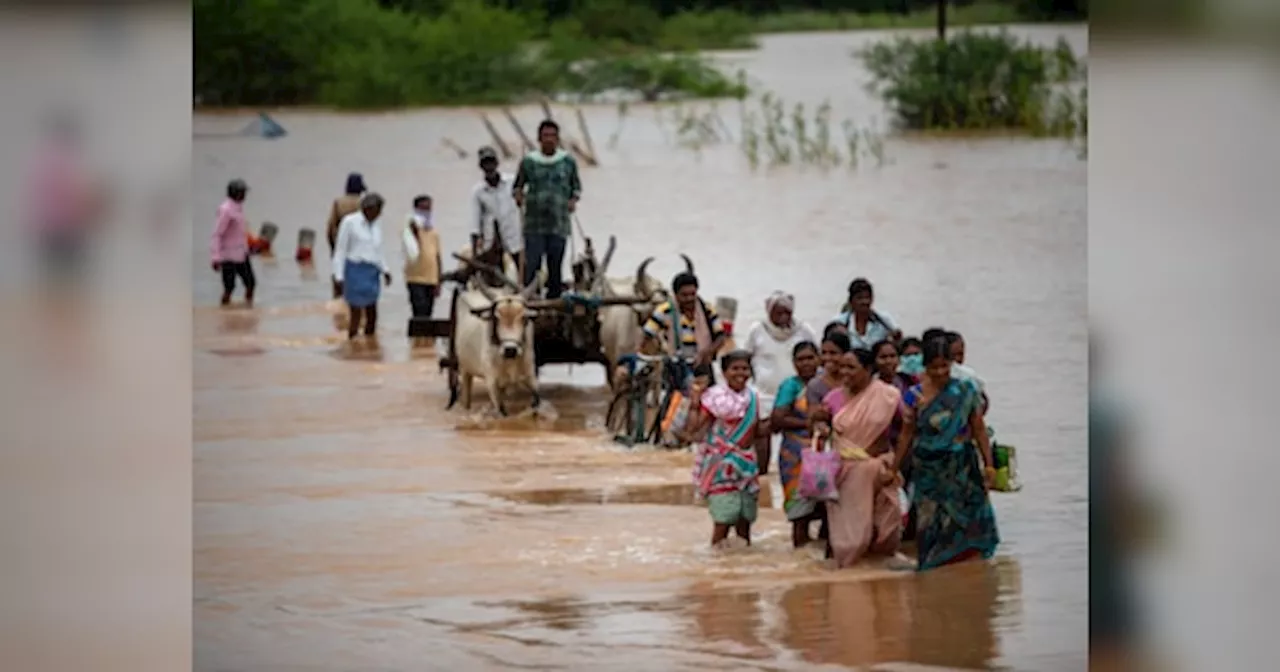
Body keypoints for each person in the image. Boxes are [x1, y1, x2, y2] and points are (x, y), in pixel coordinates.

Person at [892, 337, 1000, 570]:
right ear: (925, 366)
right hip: (929, 469)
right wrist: (895, 468)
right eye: (934, 367)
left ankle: (970, 567)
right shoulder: (914, 396)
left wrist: (989, 465)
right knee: (931, 522)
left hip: (962, 466)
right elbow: (906, 435)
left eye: (945, 366)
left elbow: (979, 428)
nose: (940, 372)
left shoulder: (966, 389)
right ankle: (934, 566)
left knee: (969, 518)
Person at [814, 348, 912, 570]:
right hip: (846, 472)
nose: (844, 372)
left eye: (851, 367)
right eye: (843, 367)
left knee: (887, 524)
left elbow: (906, 429)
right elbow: (820, 425)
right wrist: (818, 423)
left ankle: (878, 577)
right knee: (852, 535)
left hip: (881, 468)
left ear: (868, 370)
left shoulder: (888, 396)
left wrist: (895, 468)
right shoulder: (834, 398)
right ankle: (849, 578)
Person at [686, 350, 767, 548]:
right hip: (721, 468)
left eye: (745, 368)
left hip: (746, 467)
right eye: (735, 369)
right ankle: (717, 566)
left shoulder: (754, 398)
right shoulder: (714, 398)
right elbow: (694, 429)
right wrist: (695, 403)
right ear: (723, 372)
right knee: (723, 521)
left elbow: (759, 432)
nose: (740, 373)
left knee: (745, 521)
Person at [513, 120, 581, 298]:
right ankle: (531, 299)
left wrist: (573, 200)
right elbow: (517, 186)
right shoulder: (529, 161)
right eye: (545, 136)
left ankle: (554, 301)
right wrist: (518, 196)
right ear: (538, 139)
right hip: (534, 224)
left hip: (558, 223)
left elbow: (576, 187)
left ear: (558, 139)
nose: (549, 139)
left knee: (555, 265)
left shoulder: (567, 161)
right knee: (533, 265)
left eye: (552, 136)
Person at [770, 341, 825, 548]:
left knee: (827, 508)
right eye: (801, 360)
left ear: (818, 359)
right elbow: (777, 418)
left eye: (810, 358)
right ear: (793, 363)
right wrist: (810, 422)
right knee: (799, 512)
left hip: (822, 454)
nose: (806, 364)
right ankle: (801, 557)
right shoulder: (791, 386)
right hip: (795, 457)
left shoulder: (825, 383)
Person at [641, 272, 728, 389]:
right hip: (675, 366)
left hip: (702, 365)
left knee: (708, 400)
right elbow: (647, 335)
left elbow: (721, 337)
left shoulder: (707, 309)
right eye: (684, 295)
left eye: (693, 294)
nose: (689, 299)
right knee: (672, 402)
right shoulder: (665, 311)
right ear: (675, 295)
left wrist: (708, 352)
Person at [743, 291, 820, 408]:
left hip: (798, 394)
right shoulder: (757, 330)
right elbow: (745, 358)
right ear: (769, 312)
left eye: (787, 312)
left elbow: (818, 356)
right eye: (778, 312)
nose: (783, 316)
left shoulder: (804, 330)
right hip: (763, 395)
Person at [333, 193, 392, 341]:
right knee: (356, 312)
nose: (379, 214)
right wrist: (338, 276)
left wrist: (385, 270)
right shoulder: (349, 222)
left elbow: (378, 250)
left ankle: (370, 342)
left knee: (372, 311)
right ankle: (352, 341)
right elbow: (340, 251)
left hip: (371, 272)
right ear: (368, 209)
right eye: (377, 211)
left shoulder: (376, 226)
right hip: (355, 270)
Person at [472, 146, 523, 273]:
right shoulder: (478, 191)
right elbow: (475, 222)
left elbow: (525, 200)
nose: (489, 167)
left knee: (523, 271)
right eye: (485, 163)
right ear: (481, 166)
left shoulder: (512, 182)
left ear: (497, 163)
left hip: (516, 238)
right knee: (496, 274)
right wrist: (475, 253)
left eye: (491, 162)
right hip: (492, 243)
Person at [402, 194, 442, 344]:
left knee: (428, 312)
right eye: (423, 209)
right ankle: (417, 344)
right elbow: (411, 250)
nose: (427, 212)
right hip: (415, 277)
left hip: (431, 278)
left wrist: (439, 280)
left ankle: (426, 345)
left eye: (429, 209)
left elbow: (438, 257)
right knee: (419, 311)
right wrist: (415, 231)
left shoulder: (434, 232)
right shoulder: (408, 230)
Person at [210, 178, 256, 307]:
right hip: (228, 256)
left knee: (251, 283)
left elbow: (240, 232)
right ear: (237, 193)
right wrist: (215, 257)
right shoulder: (225, 210)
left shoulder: (239, 208)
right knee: (229, 287)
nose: (245, 196)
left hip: (241, 253)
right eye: (243, 193)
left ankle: (249, 306)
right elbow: (217, 234)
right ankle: (224, 308)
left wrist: (250, 247)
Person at [326, 172, 366, 298]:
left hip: (341, 245)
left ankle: (338, 309)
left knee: (339, 279)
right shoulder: (364, 203)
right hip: (360, 247)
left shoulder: (338, 203)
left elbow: (331, 226)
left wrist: (333, 247)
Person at [833, 278, 902, 349]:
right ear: (851, 301)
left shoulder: (884, 319)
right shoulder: (839, 321)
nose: (864, 302)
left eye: (867, 297)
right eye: (859, 298)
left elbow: (898, 340)